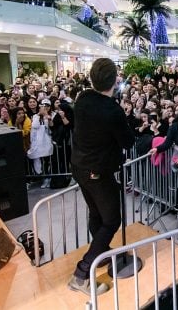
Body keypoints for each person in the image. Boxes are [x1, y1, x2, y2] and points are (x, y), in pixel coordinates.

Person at [68, 58, 135, 296]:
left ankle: (101, 251)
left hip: (79, 167)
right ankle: (82, 274)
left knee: (96, 213)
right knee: (112, 220)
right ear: (115, 80)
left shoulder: (83, 98)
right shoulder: (112, 110)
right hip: (98, 171)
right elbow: (128, 141)